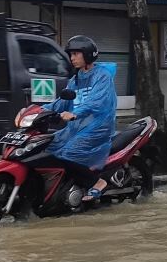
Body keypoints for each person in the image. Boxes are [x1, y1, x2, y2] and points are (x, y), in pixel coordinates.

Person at [44, 35, 118, 201]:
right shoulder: (75, 80)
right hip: (77, 127)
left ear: (88, 54)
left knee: (68, 153)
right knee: (46, 147)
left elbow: (97, 101)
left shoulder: (102, 76)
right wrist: (38, 111)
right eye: (71, 55)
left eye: (76, 54)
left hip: (98, 127)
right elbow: (62, 102)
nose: (72, 58)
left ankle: (97, 182)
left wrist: (76, 113)